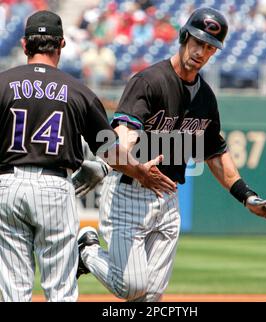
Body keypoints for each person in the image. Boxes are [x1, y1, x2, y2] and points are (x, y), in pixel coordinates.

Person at [75, 7, 266, 302]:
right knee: (131, 286)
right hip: (129, 191)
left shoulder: (206, 98)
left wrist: (245, 195)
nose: (201, 51)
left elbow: (214, 151)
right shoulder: (149, 81)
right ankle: (86, 251)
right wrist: (107, 161)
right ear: (184, 37)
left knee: (150, 298)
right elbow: (125, 131)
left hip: (169, 196)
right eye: (198, 42)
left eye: (210, 47)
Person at [0, 10, 175, 302]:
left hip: (5, 185)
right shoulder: (78, 91)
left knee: (13, 291)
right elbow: (110, 151)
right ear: (62, 44)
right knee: (60, 290)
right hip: (54, 187)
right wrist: (140, 172)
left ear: (24, 43)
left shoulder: (3, 84)